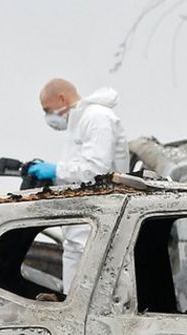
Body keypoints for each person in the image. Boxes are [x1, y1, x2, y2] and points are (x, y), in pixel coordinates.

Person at [27, 78, 129, 292]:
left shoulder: (97, 118)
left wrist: (55, 170)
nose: (48, 116)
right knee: (74, 289)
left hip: (99, 215)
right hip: (83, 219)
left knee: (94, 283)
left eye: (47, 109)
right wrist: (54, 178)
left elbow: (96, 170)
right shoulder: (81, 122)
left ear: (62, 98)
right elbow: (78, 170)